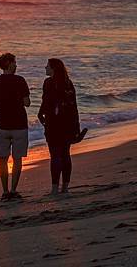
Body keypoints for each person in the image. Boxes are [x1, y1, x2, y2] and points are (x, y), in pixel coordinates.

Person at [0, 53, 30, 201]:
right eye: (15, 62)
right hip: (19, 125)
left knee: (3, 158)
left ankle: (5, 191)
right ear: (9, 64)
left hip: (2, 125)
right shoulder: (20, 80)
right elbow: (27, 103)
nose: (16, 65)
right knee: (17, 159)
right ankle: (13, 190)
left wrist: (1, 100)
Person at [38, 58, 85, 195]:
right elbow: (73, 107)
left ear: (53, 68)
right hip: (66, 124)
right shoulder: (67, 83)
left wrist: (40, 114)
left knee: (55, 156)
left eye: (47, 66)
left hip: (53, 124)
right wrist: (76, 128)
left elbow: (45, 102)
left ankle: (54, 188)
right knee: (65, 155)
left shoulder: (49, 83)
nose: (45, 68)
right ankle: (65, 187)